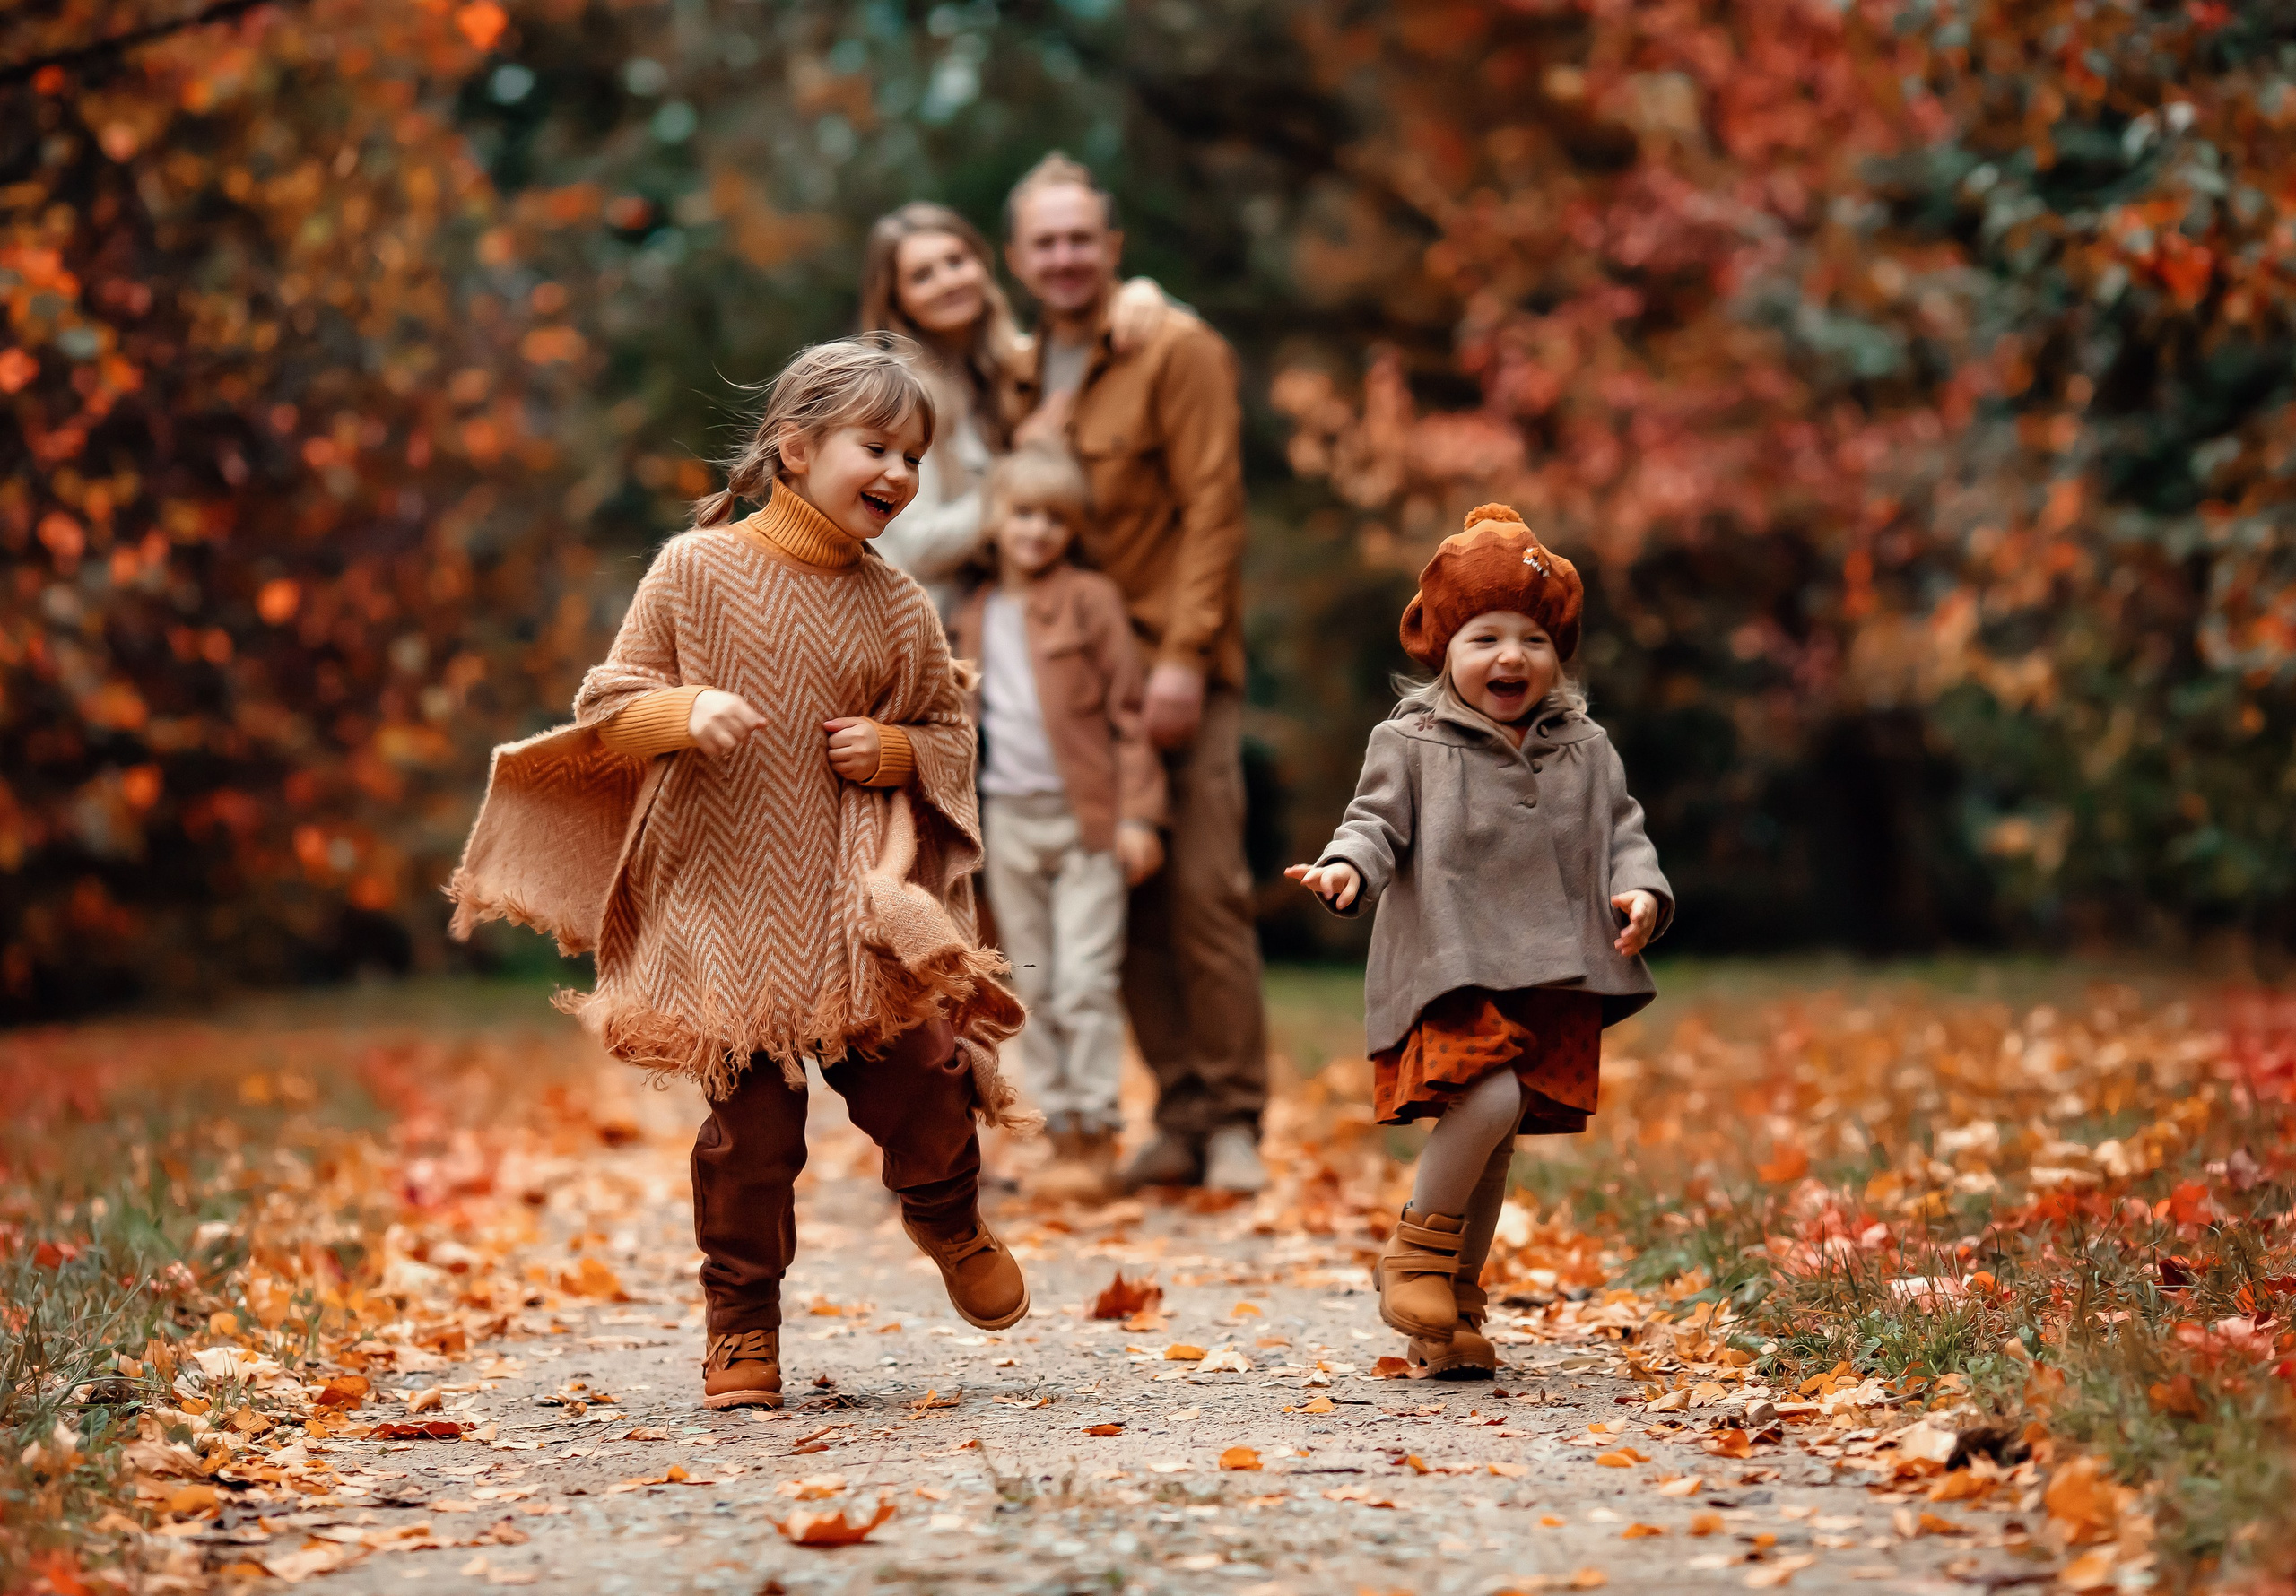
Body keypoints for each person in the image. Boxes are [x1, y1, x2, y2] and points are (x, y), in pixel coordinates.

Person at [446, 335, 1031, 1411]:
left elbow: (950, 733)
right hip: (723, 908)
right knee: (750, 1142)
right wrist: (682, 711)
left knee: (923, 1084)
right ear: (794, 449)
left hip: (853, 906)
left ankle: (948, 1216)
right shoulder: (694, 571)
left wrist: (897, 751)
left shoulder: (899, 604)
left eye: (914, 456)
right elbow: (606, 709)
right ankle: (741, 1324)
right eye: (876, 447)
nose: (899, 473)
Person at [1285, 503, 1672, 1379]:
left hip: (1550, 974)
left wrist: (1643, 890)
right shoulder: (1409, 742)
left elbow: (1624, 832)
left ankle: (1451, 1310)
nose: (1511, 656)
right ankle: (1414, 1259)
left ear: (1558, 653)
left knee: (1497, 1137)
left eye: (1533, 639)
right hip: (1449, 962)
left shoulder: (1587, 748)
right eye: (1485, 637)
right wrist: (1345, 869)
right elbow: (1372, 825)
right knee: (1489, 1100)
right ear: (1444, 648)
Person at [1003, 152, 1269, 1194]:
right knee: (1126, 904)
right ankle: (1181, 1115)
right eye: (1046, 242)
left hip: (1169, 666)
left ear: (1112, 247)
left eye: (1082, 238)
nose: (1065, 257)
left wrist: (1186, 657)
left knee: (1201, 890)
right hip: (1074, 685)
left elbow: (1215, 508)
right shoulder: (1020, 375)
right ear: (1019, 260)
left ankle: (1235, 1120)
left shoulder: (1174, 349)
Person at [951, 446, 1167, 1202]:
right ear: (996, 520)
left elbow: (1130, 716)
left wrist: (1139, 816)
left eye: (1055, 518)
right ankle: (1055, 1136)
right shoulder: (975, 613)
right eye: (1024, 514)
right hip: (1010, 822)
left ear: (1073, 530)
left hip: (1088, 822)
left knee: (1085, 980)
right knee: (1034, 982)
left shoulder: (1092, 601)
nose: (1037, 530)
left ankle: (1096, 1132)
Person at [861, 203, 1173, 620]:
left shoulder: (1012, 362)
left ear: (982, 265)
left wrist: (1142, 293)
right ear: (895, 299)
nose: (948, 281)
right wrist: (1014, 471)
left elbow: (1115, 346)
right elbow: (918, 547)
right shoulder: (894, 393)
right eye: (922, 276)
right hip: (924, 630)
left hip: (1021, 618)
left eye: (956, 261)